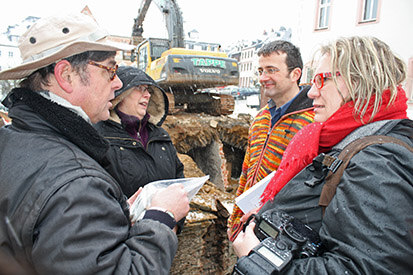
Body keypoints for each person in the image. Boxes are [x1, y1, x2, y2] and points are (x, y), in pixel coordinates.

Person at [0, 13, 189, 274]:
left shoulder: (13, 140)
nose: (119, 83)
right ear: (66, 75)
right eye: (110, 70)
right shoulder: (76, 183)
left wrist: (117, 211)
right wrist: (161, 217)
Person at [232, 36, 413, 274]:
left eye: (321, 80)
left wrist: (258, 261)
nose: (312, 92)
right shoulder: (345, 136)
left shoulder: (379, 161)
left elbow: (367, 267)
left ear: (358, 81)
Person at [228, 40, 314, 237]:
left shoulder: (311, 122)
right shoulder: (260, 118)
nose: (263, 77)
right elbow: (247, 171)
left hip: (280, 230)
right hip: (246, 225)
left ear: (295, 74)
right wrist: (234, 220)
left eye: (271, 70)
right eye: (260, 71)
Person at [95, 66, 184, 198]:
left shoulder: (160, 135)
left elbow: (178, 177)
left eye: (147, 90)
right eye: (139, 88)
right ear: (121, 95)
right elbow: (98, 194)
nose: (147, 95)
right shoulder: (100, 137)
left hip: (166, 217)